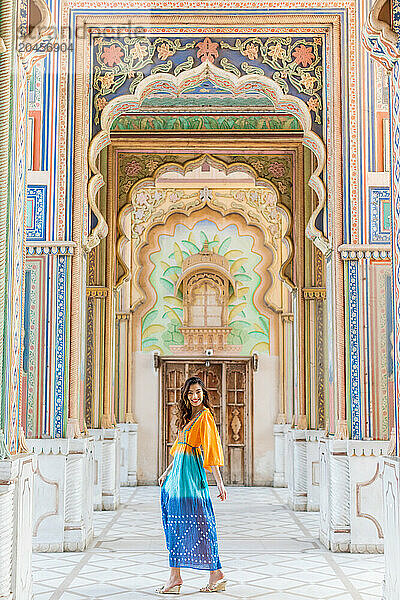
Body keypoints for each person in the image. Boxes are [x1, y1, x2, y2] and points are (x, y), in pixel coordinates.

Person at [157, 376, 227, 594]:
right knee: (175, 524)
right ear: (185, 397)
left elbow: (211, 451)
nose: (195, 397)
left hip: (190, 479)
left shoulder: (205, 416)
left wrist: (220, 484)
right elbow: (179, 449)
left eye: (198, 392)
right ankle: (178, 576)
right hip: (178, 478)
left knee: (202, 524)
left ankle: (212, 573)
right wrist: (167, 472)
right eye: (190, 393)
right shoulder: (190, 418)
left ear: (204, 393)